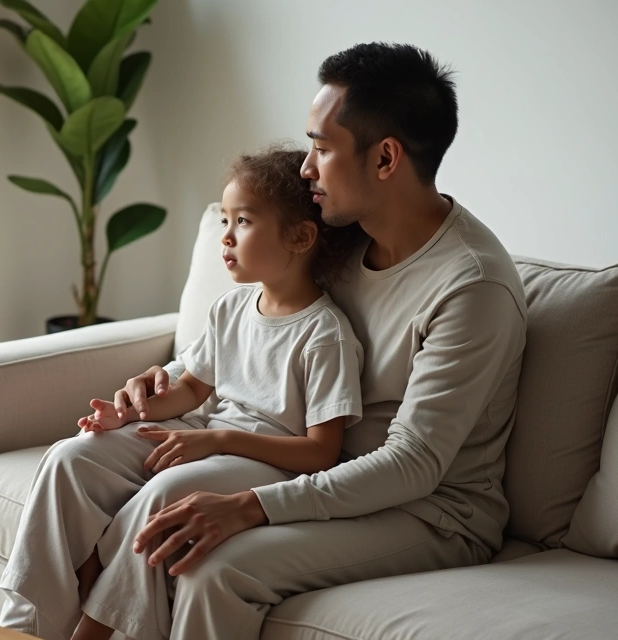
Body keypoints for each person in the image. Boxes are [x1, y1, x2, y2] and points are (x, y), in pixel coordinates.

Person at [117, 42, 529, 639]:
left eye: (322, 147)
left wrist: (249, 506)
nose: (306, 169)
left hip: (430, 513)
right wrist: (172, 377)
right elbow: (263, 327)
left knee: (212, 565)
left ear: (385, 158)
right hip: (318, 468)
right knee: (127, 491)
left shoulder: (473, 287)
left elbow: (412, 466)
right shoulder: (341, 242)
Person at [0, 145, 367, 640]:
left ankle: (94, 630)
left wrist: (217, 443)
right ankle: (25, 625)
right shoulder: (232, 308)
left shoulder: (325, 333)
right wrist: (130, 415)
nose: (226, 237)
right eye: (226, 221)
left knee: (166, 495)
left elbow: (322, 452)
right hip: (205, 435)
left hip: (266, 461)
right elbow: (193, 387)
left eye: (244, 222)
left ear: (300, 237)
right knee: (71, 457)